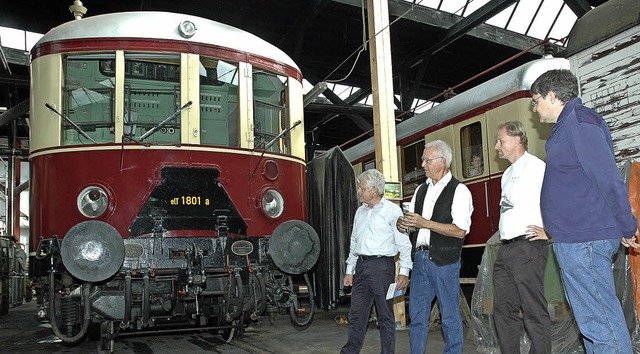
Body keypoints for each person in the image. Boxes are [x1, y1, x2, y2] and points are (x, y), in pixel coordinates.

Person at [531, 69, 640, 353]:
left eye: (537, 99)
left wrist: (627, 226)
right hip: (575, 239)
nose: (535, 106)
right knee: (592, 325)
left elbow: (608, 178)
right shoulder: (568, 126)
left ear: (553, 96)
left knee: (600, 323)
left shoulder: (580, 123)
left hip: (585, 240)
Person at [396, 140, 473, 354]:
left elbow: (460, 231)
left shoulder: (460, 190)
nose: (422, 164)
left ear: (442, 162)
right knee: (417, 316)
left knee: (449, 316)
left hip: (445, 261)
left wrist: (425, 223)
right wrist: (402, 224)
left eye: (427, 160)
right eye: (423, 159)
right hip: (420, 260)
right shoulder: (421, 190)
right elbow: (412, 224)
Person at [492, 121, 551, 353]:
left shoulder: (537, 167)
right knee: (504, 311)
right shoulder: (506, 174)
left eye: (501, 140)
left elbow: (555, 200)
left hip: (528, 247)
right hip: (506, 250)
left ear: (517, 140)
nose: (497, 146)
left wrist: (549, 231)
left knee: (534, 310)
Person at [341, 169, 413, 354]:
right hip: (361, 267)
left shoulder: (392, 211)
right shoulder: (360, 212)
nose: (358, 191)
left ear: (374, 190)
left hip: (382, 267)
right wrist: (350, 270)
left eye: (362, 188)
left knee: (385, 317)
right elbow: (354, 241)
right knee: (356, 315)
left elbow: (404, 243)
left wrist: (404, 271)